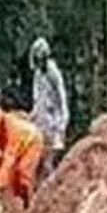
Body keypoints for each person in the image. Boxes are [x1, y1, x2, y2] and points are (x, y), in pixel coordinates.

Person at [30, 38, 69, 175]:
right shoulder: (38, 74)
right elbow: (37, 100)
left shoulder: (53, 72)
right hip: (42, 121)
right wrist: (32, 117)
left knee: (48, 161)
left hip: (53, 121)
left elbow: (61, 98)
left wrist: (61, 123)